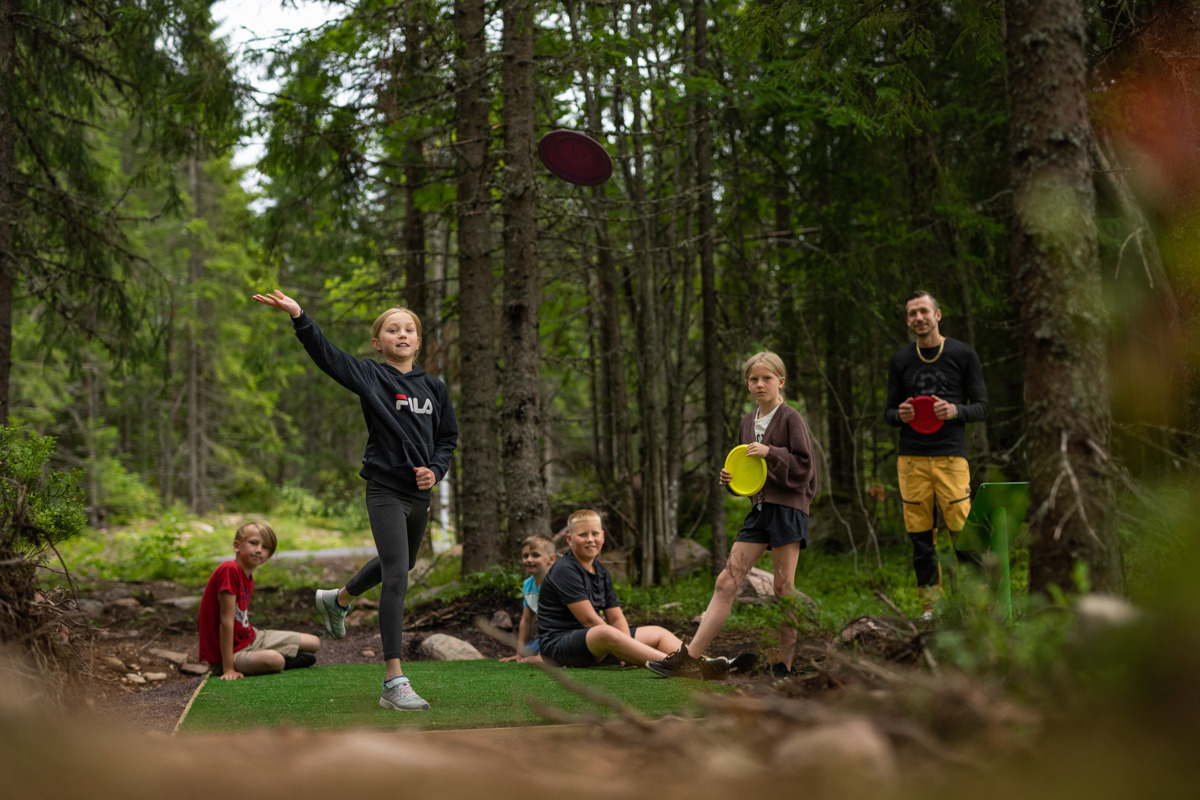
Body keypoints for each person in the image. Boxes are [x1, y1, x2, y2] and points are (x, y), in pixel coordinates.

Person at [253, 289, 458, 710]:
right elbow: (328, 356)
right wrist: (299, 317)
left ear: (418, 341)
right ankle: (393, 682)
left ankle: (338, 598)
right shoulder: (371, 376)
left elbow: (447, 439)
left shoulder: (435, 389)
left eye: (409, 330)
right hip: (385, 490)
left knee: (405, 562)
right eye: (392, 329)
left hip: (419, 493)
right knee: (398, 577)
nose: (401, 335)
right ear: (378, 342)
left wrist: (435, 471)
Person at [648, 352, 814, 680]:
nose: (759, 384)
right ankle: (689, 658)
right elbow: (748, 473)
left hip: (788, 511)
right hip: (760, 511)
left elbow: (805, 467)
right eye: (754, 379)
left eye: (767, 378)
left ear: (781, 381)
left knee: (783, 588)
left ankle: (785, 665)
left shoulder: (790, 418)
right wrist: (731, 482)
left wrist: (772, 452)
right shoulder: (746, 422)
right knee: (726, 582)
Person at [884, 290, 989, 616]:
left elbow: (982, 407)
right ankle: (931, 608)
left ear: (937, 315)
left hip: (951, 457)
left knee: (963, 533)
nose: (918, 318)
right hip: (911, 460)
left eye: (923, 311)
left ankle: (977, 604)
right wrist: (899, 415)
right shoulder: (901, 360)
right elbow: (888, 413)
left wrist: (956, 411)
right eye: (912, 313)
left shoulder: (963, 354)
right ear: (907, 320)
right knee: (920, 540)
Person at [537, 509, 720, 676]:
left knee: (657, 632)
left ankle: (708, 663)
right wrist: (627, 649)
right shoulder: (565, 569)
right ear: (569, 539)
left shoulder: (600, 571)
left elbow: (616, 618)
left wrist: (628, 649)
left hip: (591, 642)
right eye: (582, 535)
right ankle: (676, 666)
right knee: (605, 632)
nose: (590, 539)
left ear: (602, 536)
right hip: (559, 646)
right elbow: (589, 621)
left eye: (594, 534)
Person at [198, 522, 321, 680]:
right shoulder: (229, 569)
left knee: (314, 643)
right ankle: (283, 660)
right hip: (226, 655)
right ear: (237, 546)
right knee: (275, 660)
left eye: (265, 547)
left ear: (268, 556)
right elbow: (226, 621)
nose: (259, 550)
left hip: (251, 638)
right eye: (254, 543)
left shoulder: (249, 578)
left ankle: (278, 656)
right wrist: (228, 668)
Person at [500, 534, 556, 663]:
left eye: (535, 555)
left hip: (563, 633)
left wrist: (541, 656)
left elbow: (553, 621)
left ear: (551, 559)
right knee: (527, 650)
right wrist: (519, 653)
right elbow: (526, 620)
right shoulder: (528, 585)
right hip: (546, 637)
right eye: (525, 556)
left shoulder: (555, 583)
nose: (529, 559)